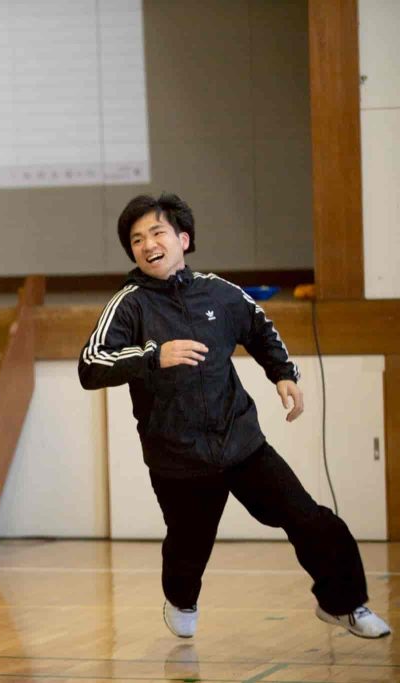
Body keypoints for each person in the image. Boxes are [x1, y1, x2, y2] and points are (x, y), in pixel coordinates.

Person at [78, 192, 391, 640]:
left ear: (183, 239)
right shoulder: (128, 305)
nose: (148, 244)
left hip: (241, 444)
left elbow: (260, 329)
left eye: (157, 232)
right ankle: (180, 600)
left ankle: (342, 604)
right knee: (187, 548)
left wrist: (283, 374)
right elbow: (90, 365)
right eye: (137, 239)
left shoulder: (220, 293)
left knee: (310, 519)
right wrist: (154, 355)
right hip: (178, 459)